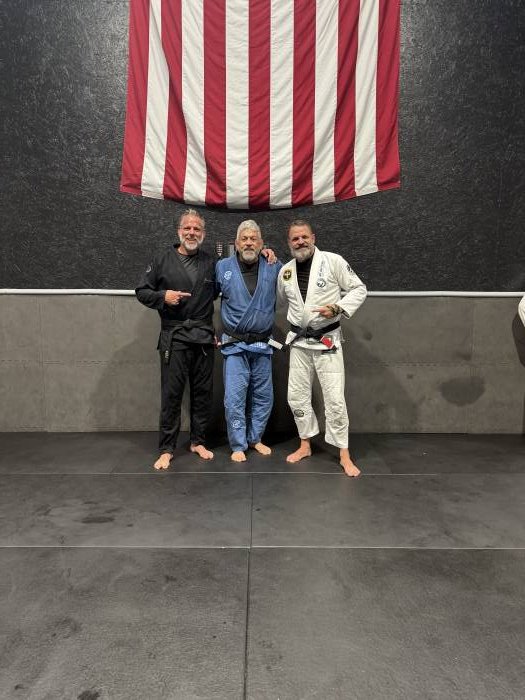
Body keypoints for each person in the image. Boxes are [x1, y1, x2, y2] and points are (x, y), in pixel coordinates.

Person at [277, 220, 367, 477]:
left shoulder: (333, 261)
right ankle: (305, 444)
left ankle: (344, 454)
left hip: (327, 341)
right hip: (299, 342)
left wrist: (337, 308)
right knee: (296, 396)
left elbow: (359, 289)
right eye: (295, 239)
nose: (300, 242)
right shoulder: (285, 272)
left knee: (335, 399)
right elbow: (280, 301)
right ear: (289, 243)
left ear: (313, 238)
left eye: (304, 237)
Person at [136, 209, 215, 470]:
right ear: (179, 231)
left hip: (203, 336)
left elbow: (233, 276)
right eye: (187, 228)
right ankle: (167, 448)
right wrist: (163, 296)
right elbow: (142, 291)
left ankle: (198, 441)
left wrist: (265, 254)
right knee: (171, 394)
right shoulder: (162, 260)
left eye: (197, 229)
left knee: (202, 393)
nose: (192, 233)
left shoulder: (211, 262)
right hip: (175, 337)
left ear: (203, 234)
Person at [216, 220, 282, 462]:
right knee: (234, 397)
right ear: (236, 243)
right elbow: (205, 296)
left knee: (264, 396)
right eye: (244, 239)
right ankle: (237, 444)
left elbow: (291, 287)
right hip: (234, 344)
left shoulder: (273, 265)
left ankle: (255, 438)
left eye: (254, 239)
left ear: (262, 243)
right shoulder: (222, 267)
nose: (249, 243)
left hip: (263, 344)